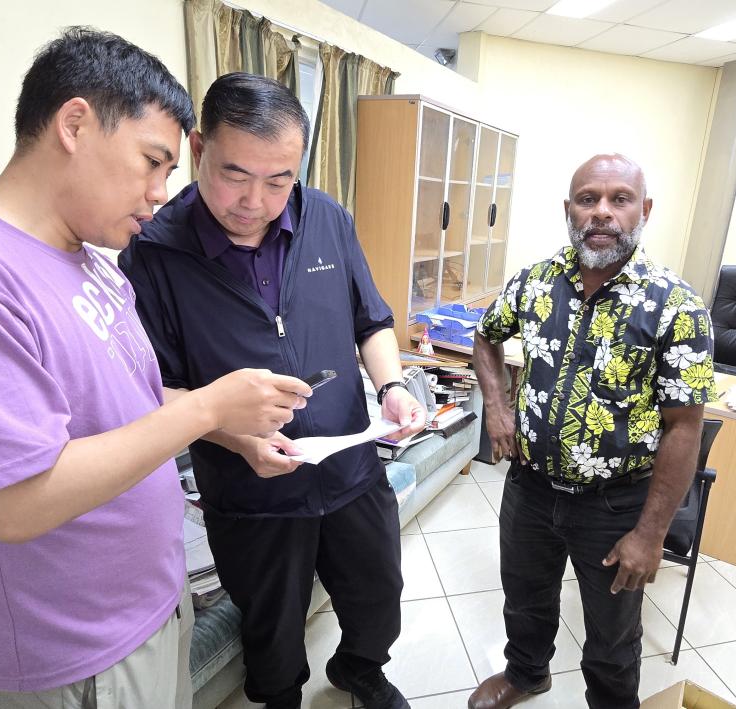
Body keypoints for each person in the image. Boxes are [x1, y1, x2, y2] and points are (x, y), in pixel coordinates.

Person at [0, 29, 311, 709]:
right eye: (152, 161)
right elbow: (13, 501)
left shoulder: (92, 264)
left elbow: (127, 398)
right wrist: (207, 407)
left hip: (148, 601)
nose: (160, 192)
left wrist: (233, 431)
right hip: (75, 646)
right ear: (75, 124)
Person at [118, 72, 425, 709]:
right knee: (272, 630)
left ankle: (359, 668)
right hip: (249, 490)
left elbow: (370, 320)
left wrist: (392, 385)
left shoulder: (326, 219)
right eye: (234, 175)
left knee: (379, 596)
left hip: (350, 467)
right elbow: (158, 391)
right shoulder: (153, 252)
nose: (254, 202)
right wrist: (239, 442)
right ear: (198, 149)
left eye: (279, 180)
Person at [466, 154, 715, 709]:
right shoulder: (535, 281)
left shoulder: (676, 305)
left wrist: (650, 534)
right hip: (530, 488)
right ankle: (526, 673)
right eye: (588, 199)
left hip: (614, 504)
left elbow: (684, 428)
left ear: (644, 210)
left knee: (612, 633)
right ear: (569, 209)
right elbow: (486, 335)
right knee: (524, 599)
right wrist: (497, 407)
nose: (602, 212)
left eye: (619, 199)